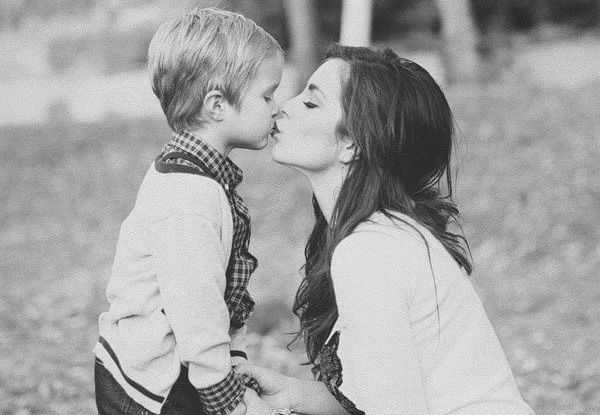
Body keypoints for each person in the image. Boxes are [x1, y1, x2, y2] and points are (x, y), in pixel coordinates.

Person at [236, 45, 536, 414]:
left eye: (311, 103)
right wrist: (293, 394)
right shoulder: (382, 235)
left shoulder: (369, 251)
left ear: (353, 143)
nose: (283, 106)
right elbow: (383, 396)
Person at [93, 8, 283, 415]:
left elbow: (216, 295)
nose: (276, 108)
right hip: (151, 386)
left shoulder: (201, 176)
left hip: (178, 365)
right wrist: (228, 398)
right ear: (217, 104)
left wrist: (233, 361)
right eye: (267, 96)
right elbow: (197, 307)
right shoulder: (188, 196)